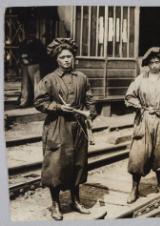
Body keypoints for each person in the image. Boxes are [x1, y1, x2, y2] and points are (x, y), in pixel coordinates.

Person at [34, 38, 97, 220]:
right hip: (57, 127)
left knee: (78, 164)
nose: (67, 60)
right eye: (63, 57)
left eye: (69, 56)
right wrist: (59, 107)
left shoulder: (82, 78)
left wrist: (90, 113)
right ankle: (56, 205)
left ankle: (75, 201)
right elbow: (39, 102)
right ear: (57, 59)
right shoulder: (49, 79)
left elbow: (90, 99)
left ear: (74, 58)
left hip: (78, 128)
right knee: (56, 165)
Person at [125, 47, 160, 203]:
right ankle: (134, 188)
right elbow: (129, 96)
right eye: (152, 62)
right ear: (147, 64)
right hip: (144, 119)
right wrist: (138, 106)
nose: (155, 65)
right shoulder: (140, 79)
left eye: (158, 62)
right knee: (138, 154)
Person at [18, 28, 47, 107]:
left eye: (32, 33)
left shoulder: (38, 43)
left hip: (34, 64)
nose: (30, 35)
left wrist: (30, 58)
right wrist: (22, 59)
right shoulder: (23, 43)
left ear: (34, 34)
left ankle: (37, 101)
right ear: (26, 34)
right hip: (24, 65)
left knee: (36, 84)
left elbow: (42, 54)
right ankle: (24, 101)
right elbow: (20, 53)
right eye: (29, 33)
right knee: (25, 84)